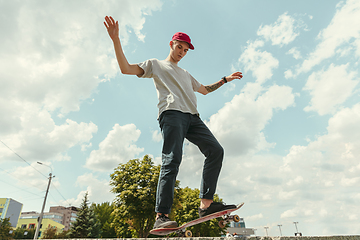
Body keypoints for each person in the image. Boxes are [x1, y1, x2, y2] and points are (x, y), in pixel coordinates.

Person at [104, 16, 243, 229]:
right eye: (179, 47)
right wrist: (116, 40)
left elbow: (205, 90)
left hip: (193, 118)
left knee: (216, 150)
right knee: (173, 158)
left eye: (185, 51)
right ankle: (161, 215)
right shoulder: (155, 65)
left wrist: (225, 80)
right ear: (171, 44)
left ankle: (206, 204)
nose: (181, 52)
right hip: (172, 115)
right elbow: (126, 68)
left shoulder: (186, 74)